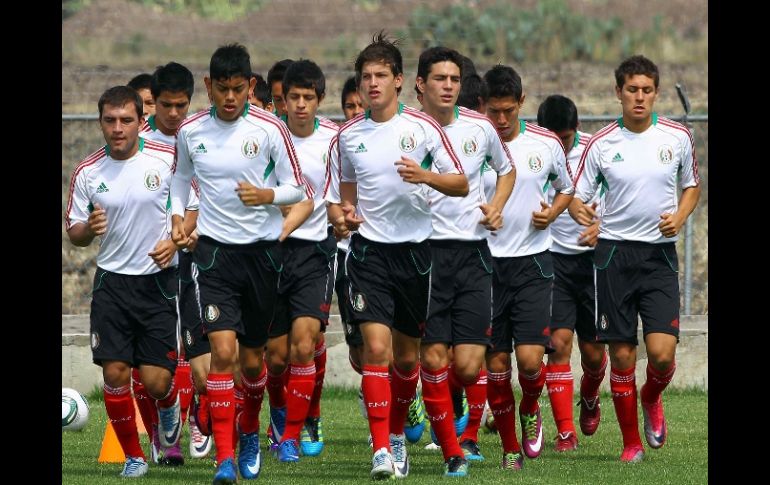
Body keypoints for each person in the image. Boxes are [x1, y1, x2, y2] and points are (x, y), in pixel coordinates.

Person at [324, 32, 469, 480]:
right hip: (367, 255)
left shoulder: (424, 129)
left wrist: (425, 175)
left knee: (408, 360)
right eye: (365, 76)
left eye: (380, 76)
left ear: (400, 81)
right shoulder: (347, 137)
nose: (372, 84)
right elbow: (339, 197)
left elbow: (460, 183)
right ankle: (382, 450)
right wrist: (343, 216)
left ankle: (398, 436)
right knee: (376, 349)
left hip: (417, 255)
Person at [170, 43, 314, 484]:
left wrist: (267, 195)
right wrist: (178, 216)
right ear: (209, 87)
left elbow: (298, 189)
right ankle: (225, 460)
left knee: (256, 364)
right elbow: (179, 178)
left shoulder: (271, 128)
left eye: (238, 90)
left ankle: (251, 427)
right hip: (214, 255)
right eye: (222, 90)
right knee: (224, 354)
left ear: (250, 86)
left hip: (264, 255)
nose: (230, 99)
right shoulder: (191, 131)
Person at [569, 55, 700, 463]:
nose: (639, 97)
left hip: (658, 256)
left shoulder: (676, 137)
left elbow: (691, 186)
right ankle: (631, 444)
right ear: (618, 92)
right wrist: (581, 213)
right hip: (612, 257)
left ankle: (651, 396)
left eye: (646, 90)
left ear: (656, 93)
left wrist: (679, 216)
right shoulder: (602, 144)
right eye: (631, 90)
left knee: (661, 355)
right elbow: (576, 196)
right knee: (622, 356)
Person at [65, 85, 182, 478]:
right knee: (114, 372)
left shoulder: (167, 160)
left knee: (156, 380)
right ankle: (133, 456)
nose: (118, 128)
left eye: (126, 120)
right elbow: (75, 231)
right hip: (112, 283)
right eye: (110, 120)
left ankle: (168, 406)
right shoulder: (87, 171)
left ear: (140, 122)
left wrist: (175, 239)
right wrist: (88, 229)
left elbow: (192, 207)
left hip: (157, 280)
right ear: (100, 122)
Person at [415, 46, 516, 466]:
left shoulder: (481, 128)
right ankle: (453, 452)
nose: (448, 87)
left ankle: (431, 395)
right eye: (440, 79)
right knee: (434, 355)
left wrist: (496, 206)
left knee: (470, 365)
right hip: (424, 253)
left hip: (474, 254)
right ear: (420, 84)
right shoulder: (406, 129)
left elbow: (506, 170)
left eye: (454, 80)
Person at [482, 64, 574, 471]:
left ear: (522, 103)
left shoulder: (546, 144)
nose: (501, 121)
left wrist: (552, 213)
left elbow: (566, 189)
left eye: (508, 111)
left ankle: (532, 407)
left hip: (535, 263)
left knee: (531, 361)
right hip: (485, 266)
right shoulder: (472, 145)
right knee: (497, 364)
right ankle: (509, 449)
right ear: (483, 106)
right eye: (494, 112)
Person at [260, 59, 340, 462]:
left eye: (309, 97)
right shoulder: (266, 137)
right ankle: (280, 412)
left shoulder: (334, 138)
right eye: (294, 97)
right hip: (271, 251)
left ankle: (293, 432)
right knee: (275, 357)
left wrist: (346, 215)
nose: (302, 105)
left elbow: (349, 188)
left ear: (320, 99)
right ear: (283, 100)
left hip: (316, 251)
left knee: (304, 345)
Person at [138, 61, 215, 464]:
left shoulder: (199, 139)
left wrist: (182, 235)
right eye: (165, 105)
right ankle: (166, 419)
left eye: (181, 106)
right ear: (153, 103)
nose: (173, 114)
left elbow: (201, 198)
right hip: (147, 267)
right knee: (155, 370)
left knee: (205, 365)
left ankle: (203, 417)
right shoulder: (136, 141)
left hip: (192, 261)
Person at [536, 94, 607, 452]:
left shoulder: (597, 151)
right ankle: (565, 431)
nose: (559, 146)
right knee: (558, 344)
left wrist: (601, 228)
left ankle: (591, 396)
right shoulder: (535, 153)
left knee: (594, 353)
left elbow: (621, 197)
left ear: (575, 130)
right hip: (554, 261)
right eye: (553, 138)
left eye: (564, 138)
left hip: (594, 262)